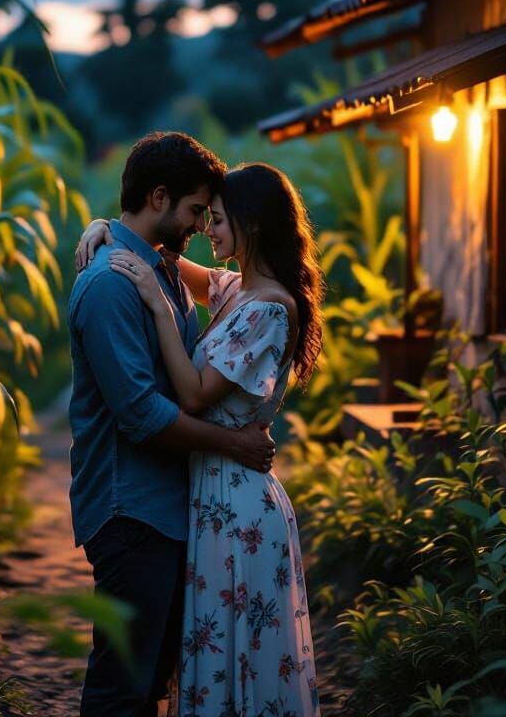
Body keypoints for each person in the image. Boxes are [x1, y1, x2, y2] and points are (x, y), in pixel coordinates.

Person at [77, 161, 323, 717]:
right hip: (212, 497)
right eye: (204, 217)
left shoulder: (270, 308)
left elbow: (192, 394)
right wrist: (101, 226)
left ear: (251, 223)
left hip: (238, 505)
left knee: (240, 658)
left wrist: (161, 308)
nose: (206, 231)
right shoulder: (236, 289)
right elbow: (158, 251)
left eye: (216, 219)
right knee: (214, 652)